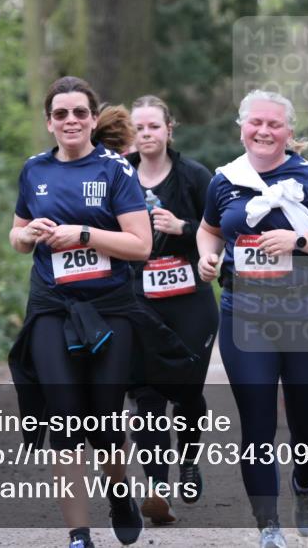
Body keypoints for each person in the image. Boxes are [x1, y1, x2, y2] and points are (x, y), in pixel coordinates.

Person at [196, 90, 308, 548]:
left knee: (307, 427)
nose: (264, 132)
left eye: (274, 125)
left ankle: (305, 484)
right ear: (241, 125)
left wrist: (298, 241)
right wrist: (207, 260)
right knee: (257, 424)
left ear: (289, 131)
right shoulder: (224, 180)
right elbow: (209, 230)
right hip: (245, 316)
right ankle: (268, 527)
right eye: (256, 123)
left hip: (307, 318)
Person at [8, 76, 151, 548]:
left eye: (79, 113)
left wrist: (84, 235)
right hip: (52, 306)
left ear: (92, 119)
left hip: (109, 308)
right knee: (65, 416)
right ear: (49, 122)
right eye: (61, 114)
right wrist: (29, 236)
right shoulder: (33, 170)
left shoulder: (115, 171)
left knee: (104, 418)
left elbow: (141, 245)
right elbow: (16, 235)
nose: (71, 120)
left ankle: (119, 494)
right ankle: (79, 535)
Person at [124, 95, 219, 525]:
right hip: (139, 302)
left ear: (169, 130)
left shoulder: (195, 176)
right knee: (146, 397)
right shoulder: (117, 174)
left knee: (186, 392)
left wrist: (182, 228)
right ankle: (158, 489)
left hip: (190, 303)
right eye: (139, 128)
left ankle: (190, 461)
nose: (146, 134)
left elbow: (219, 231)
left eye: (154, 127)